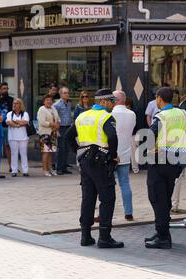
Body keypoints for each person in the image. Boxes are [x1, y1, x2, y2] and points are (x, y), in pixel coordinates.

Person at [66, 88, 124, 249]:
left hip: (85, 161)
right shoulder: (106, 117)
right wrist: (113, 156)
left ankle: (85, 236)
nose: (113, 104)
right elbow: (112, 137)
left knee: (88, 198)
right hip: (101, 161)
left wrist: (78, 150)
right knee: (107, 198)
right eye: (112, 101)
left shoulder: (82, 116)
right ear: (103, 102)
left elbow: (68, 136)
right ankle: (104, 237)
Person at [145, 86, 186, 249]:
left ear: (159, 98)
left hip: (161, 161)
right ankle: (162, 232)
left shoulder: (161, 116)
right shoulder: (184, 114)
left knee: (157, 198)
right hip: (177, 162)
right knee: (165, 196)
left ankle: (163, 237)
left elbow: (149, 136)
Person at [112, 90, 136, 221]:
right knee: (125, 183)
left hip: (111, 154)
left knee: (108, 185)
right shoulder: (132, 114)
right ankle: (129, 212)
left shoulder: (110, 114)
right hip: (125, 153)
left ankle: (107, 211)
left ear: (116, 100)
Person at [37, 94, 60, 177]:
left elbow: (58, 118)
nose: (49, 101)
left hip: (53, 133)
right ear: (44, 101)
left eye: (50, 100)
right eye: (47, 100)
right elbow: (42, 122)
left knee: (51, 152)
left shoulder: (53, 108)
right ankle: (45, 170)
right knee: (46, 152)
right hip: (45, 133)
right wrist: (52, 124)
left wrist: (58, 124)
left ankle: (50, 169)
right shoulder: (41, 109)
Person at [6, 98, 29, 177]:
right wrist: (19, 124)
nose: (14, 105)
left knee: (23, 154)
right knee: (14, 154)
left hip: (23, 137)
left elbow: (26, 122)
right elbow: (9, 123)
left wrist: (15, 122)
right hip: (12, 137)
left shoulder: (25, 113)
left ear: (20, 105)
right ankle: (14, 170)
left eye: (16, 103)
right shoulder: (9, 114)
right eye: (14, 103)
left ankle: (25, 171)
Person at [53, 86, 72, 175]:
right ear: (60, 94)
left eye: (68, 93)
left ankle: (64, 167)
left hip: (68, 127)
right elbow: (53, 116)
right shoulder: (56, 105)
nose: (67, 94)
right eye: (65, 93)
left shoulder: (69, 103)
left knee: (67, 148)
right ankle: (59, 168)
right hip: (61, 128)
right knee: (61, 148)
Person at [0, 82, 14, 172]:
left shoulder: (11, 100)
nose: (6, 90)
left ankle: (11, 166)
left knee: (9, 146)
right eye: (4, 88)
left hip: (9, 126)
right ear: (0, 90)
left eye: (7, 88)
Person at [126, 97, 140, 174]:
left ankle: (135, 168)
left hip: (132, 134)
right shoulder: (132, 113)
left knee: (133, 153)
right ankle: (134, 168)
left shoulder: (133, 113)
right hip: (130, 134)